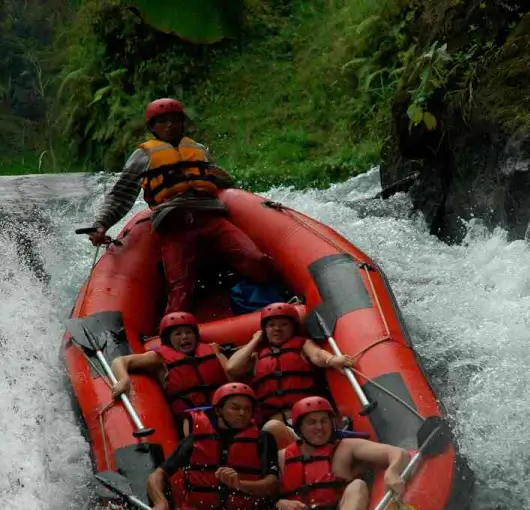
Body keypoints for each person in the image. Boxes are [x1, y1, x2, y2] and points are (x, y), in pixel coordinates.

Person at [85, 98, 275, 314]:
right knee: (180, 288)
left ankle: (274, 303)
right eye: (163, 121)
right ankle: (174, 334)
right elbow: (121, 194)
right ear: (152, 127)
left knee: (255, 259)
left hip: (211, 219)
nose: (170, 125)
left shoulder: (199, 149)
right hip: (174, 227)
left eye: (175, 120)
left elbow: (220, 180)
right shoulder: (143, 156)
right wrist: (101, 224)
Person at [259, 396, 409, 510]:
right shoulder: (282, 457)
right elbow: (265, 497)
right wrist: (279, 503)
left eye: (324, 421)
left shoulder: (346, 447)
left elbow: (397, 453)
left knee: (357, 485)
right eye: (312, 422)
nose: (319, 427)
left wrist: (392, 472)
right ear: (299, 427)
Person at [145, 383, 279, 510]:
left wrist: (240, 484)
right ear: (218, 410)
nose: (242, 413)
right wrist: (160, 502)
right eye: (235, 408)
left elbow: (271, 484)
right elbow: (157, 475)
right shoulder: (196, 440)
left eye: (247, 409)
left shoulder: (263, 440)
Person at [110, 311, 256, 428]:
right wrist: (124, 380)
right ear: (168, 339)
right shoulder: (158, 358)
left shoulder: (212, 350)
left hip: (222, 414)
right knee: (197, 422)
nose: (184, 337)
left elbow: (230, 377)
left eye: (188, 332)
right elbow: (120, 361)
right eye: (178, 334)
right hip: (191, 420)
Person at [241, 302, 354, 447]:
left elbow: (317, 355)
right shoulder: (257, 355)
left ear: (293, 327)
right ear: (264, 330)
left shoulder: (302, 344)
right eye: (271, 325)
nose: (277, 329)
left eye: (283, 324)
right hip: (276, 425)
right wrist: (255, 340)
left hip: (307, 418)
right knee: (271, 428)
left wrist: (332, 360)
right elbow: (232, 367)